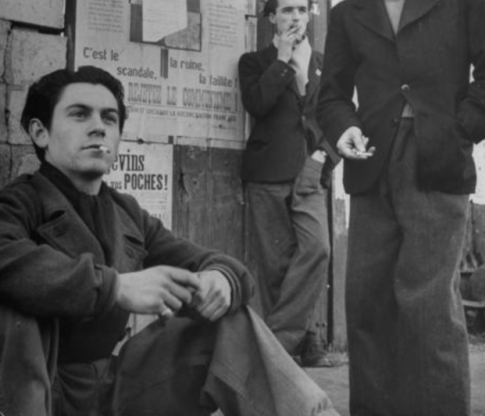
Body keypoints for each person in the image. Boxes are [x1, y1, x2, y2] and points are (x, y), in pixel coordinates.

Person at [0, 65, 340, 416]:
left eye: (110, 118)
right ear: (41, 133)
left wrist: (220, 280)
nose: (98, 126)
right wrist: (114, 287)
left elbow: (215, 263)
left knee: (227, 318)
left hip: (110, 388)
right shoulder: (20, 202)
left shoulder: (125, 212)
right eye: (79, 114)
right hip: (36, 392)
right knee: (15, 298)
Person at [316, 0, 485, 416]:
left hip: (438, 162)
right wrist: (343, 128)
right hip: (371, 167)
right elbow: (330, 96)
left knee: (425, 301)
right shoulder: (346, 14)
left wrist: (458, 128)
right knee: (368, 302)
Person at [238, 0, 340, 368]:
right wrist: (281, 61)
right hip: (267, 172)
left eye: (302, 10)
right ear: (271, 18)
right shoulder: (254, 62)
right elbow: (258, 104)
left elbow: (337, 116)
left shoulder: (324, 63)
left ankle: (277, 343)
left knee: (317, 250)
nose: (296, 17)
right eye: (287, 11)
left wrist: (323, 159)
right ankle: (310, 339)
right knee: (277, 261)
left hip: (311, 171)